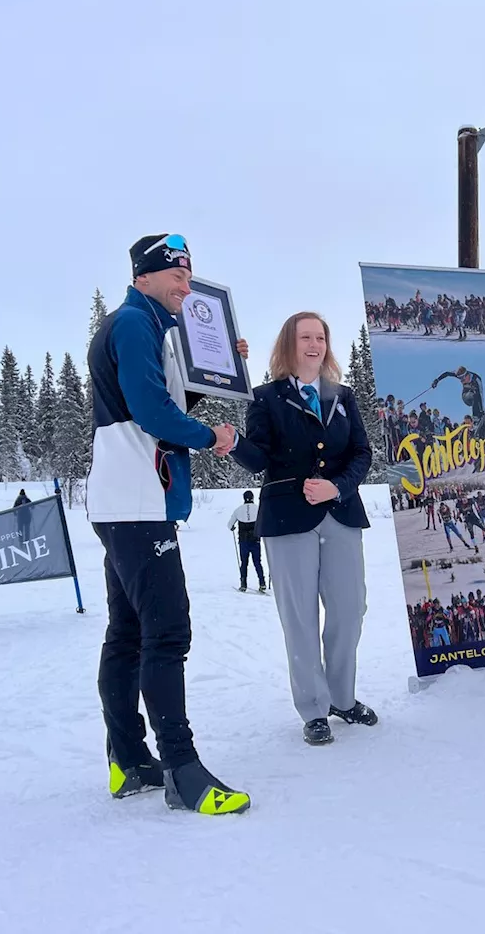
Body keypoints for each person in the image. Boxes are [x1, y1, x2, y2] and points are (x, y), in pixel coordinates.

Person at [85, 232, 250, 815]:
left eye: (188, 275)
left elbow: (154, 405)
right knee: (167, 633)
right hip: (136, 499)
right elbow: (153, 414)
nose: (187, 286)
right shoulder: (134, 324)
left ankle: (128, 760)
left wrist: (222, 374)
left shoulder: (148, 327)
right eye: (177, 276)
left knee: (127, 634)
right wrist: (215, 439)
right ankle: (184, 772)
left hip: (125, 499)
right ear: (145, 276)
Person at [228, 311, 376, 746]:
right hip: (288, 519)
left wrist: (337, 487)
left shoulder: (342, 396)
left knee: (351, 610)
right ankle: (314, 707)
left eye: (320, 337)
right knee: (300, 619)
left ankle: (342, 698)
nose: (314, 344)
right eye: (304, 337)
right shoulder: (265, 397)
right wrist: (235, 444)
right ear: (288, 345)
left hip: (341, 513)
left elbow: (361, 453)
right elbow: (258, 458)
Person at [227, 490, 266, 593]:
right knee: (257, 562)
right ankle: (262, 583)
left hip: (243, 541)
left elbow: (229, 525)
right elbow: (265, 521)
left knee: (244, 563)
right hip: (255, 540)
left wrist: (233, 528)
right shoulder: (257, 509)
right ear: (253, 498)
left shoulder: (238, 510)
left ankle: (243, 584)